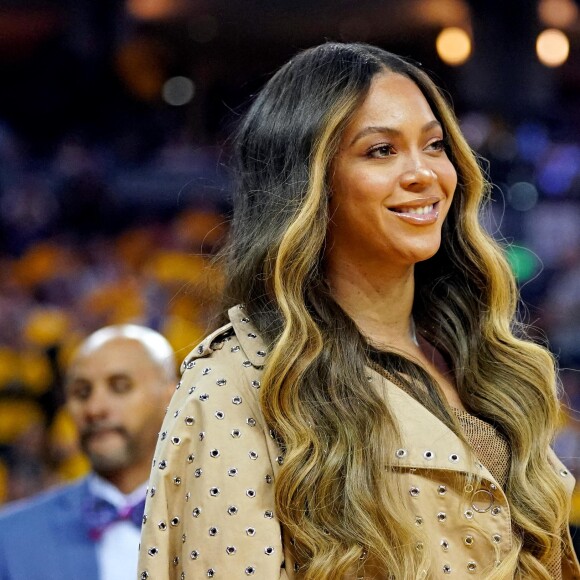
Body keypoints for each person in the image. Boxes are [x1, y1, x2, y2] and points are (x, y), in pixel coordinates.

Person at [138, 43, 580, 579]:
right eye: (380, 151)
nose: (423, 173)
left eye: (435, 145)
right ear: (306, 184)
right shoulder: (237, 383)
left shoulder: (484, 357)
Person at [0, 324, 176, 580]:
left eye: (120, 386)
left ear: (171, 396)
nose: (94, 408)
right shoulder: (11, 538)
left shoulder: (227, 522)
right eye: (81, 392)